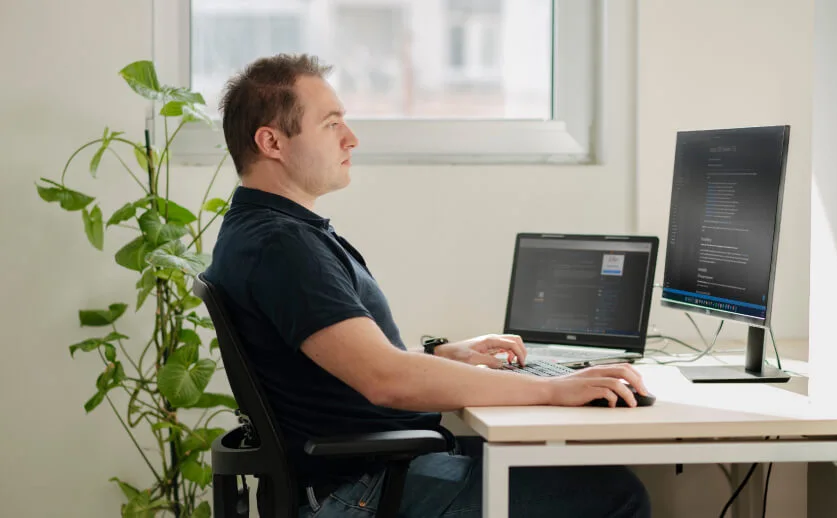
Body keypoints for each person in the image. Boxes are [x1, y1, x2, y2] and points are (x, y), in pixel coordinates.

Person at [204, 53, 652, 518]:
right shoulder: (281, 246)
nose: (351, 139)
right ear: (272, 141)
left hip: (369, 472)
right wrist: (553, 389)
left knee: (575, 469)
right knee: (616, 494)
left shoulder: (271, 230)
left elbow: (345, 368)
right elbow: (385, 380)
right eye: (331, 124)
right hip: (361, 489)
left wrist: (439, 356)